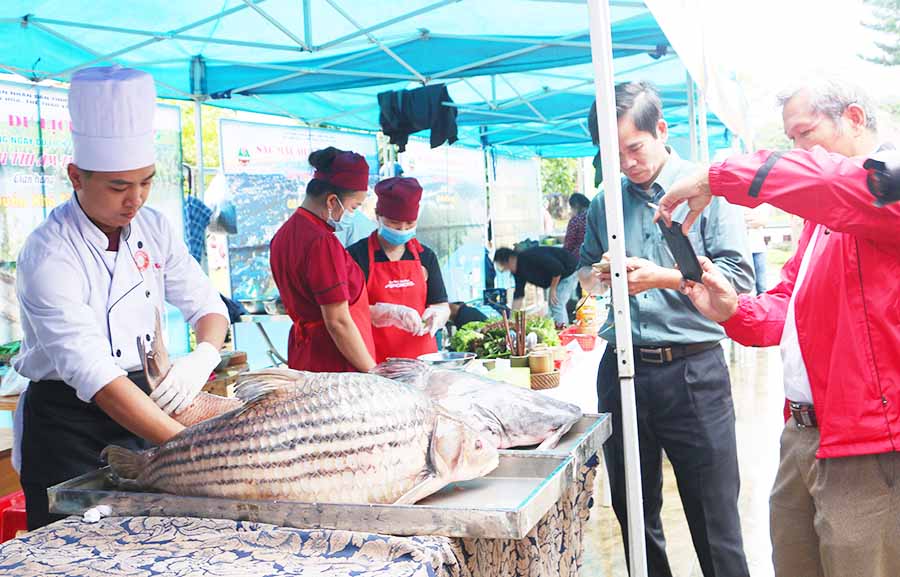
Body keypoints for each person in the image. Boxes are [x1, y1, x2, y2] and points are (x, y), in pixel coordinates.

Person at [657, 79, 900, 577]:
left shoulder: (884, 185)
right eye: (790, 139)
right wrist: (732, 310)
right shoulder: (825, 221)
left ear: (854, 118)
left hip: (869, 444)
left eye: (805, 133)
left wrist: (718, 175)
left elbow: (829, 180)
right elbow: (789, 308)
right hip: (803, 433)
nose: (799, 149)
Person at [12, 66, 229, 530]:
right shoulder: (49, 253)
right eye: (118, 187)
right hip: (70, 426)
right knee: (73, 550)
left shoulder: (154, 228)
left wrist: (203, 356)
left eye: (146, 182)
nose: (136, 199)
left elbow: (208, 306)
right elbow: (97, 377)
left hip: (144, 412)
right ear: (76, 176)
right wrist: (191, 452)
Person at [579, 80, 754, 577]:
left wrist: (664, 278)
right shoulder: (604, 203)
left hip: (692, 371)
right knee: (633, 511)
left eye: (634, 148)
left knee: (714, 520)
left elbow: (740, 280)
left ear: (661, 129)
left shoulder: (705, 191)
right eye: (612, 154)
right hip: (622, 369)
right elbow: (586, 275)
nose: (626, 163)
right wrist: (600, 274)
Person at [269, 147, 377, 373]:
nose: (353, 214)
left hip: (305, 356)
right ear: (332, 201)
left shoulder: (283, 234)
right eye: (354, 207)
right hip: (334, 363)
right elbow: (338, 322)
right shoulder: (322, 242)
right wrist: (373, 373)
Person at [347, 177, 450, 363]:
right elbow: (345, 313)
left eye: (409, 224)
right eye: (394, 223)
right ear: (378, 215)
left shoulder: (426, 256)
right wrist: (388, 313)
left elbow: (441, 303)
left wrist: (438, 314)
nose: (402, 229)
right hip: (374, 361)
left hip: (422, 360)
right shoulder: (356, 256)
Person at [493, 245, 578, 325]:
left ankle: (563, 330)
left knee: (556, 304)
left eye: (504, 267)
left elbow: (557, 269)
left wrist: (553, 289)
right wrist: (512, 319)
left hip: (569, 270)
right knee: (553, 304)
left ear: (510, 259)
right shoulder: (518, 271)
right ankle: (559, 327)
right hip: (559, 276)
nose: (506, 270)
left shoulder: (529, 257)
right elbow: (519, 295)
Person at [744, 205, 771, 294]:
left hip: (759, 248)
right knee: (744, 284)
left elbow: (764, 221)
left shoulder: (763, 205)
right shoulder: (739, 204)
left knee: (761, 285)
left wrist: (746, 220)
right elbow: (738, 221)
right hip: (743, 249)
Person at [564, 193, 591, 259]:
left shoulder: (576, 221)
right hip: (600, 259)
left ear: (576, 206)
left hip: (579, 259)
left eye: (571, 208)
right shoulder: (598, 217)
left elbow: (568, 245)